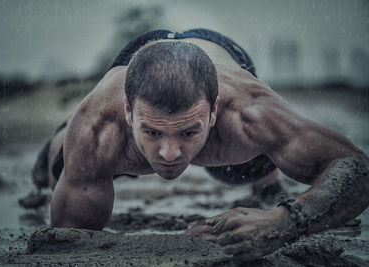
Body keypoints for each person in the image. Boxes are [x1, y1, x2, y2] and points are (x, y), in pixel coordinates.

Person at [32, 29, 369, 261]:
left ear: (213, 113)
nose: (169, 155)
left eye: (188, 132)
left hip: (220, 56)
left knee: (247, 168)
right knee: (66, 162)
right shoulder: (99, 125)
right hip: (138, 62)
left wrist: (284, 221)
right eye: (152, 132)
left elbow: (358, 168)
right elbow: (68, 240)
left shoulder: (248, 113)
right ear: (128, 111)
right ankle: (60, 140)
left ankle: (267, 183)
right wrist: (177, 244)